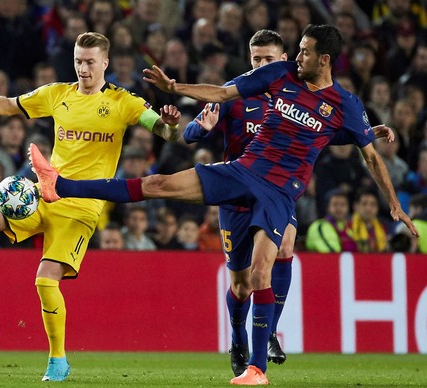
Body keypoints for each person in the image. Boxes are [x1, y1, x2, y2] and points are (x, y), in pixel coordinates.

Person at [25, 25, 417, 385]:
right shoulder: (279, 76)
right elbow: (221, 92)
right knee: (158, 183)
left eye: (304, 52)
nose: (297, 58)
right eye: (296, 50)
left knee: (265, 268)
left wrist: (394, 204)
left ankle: (257, 368)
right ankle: (61, 184)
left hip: (280, 193)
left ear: (324, 60)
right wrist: (174, 85)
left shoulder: (345, 105)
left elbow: (370, 156)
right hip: (242, 171)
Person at [0, 32, 181, 382]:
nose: (83, 68)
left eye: (90, 61)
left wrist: (169, 124)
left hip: (82, 208)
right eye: (78, 60)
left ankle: (57, 360)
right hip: (43, 194)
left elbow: (164, 132)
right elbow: (9, 105)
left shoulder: (124, 102)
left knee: (45, 282)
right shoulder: (58, 94)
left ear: (105, 62)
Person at [183, 29, 395, 375]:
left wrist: (368, 133)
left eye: (268, 59)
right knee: (240, 284)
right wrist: (202, 129)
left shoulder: (295, 90)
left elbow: (329, 130)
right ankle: (238, 338)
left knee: (284, 247)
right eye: (256, 60)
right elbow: (191, 132)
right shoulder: (239, 92)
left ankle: (268, 335)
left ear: (283, 59)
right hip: (235, 191)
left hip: (277, 192)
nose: (261, 65)